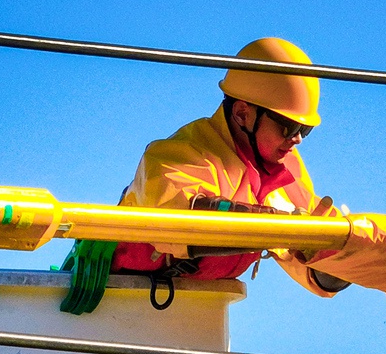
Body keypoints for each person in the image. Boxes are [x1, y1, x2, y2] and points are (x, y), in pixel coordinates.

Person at [111, 37, 349, 295]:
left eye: (306, 129)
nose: (297, 139)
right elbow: (182, 225)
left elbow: (316, 273)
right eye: (288, 126)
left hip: (195, 305)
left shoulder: (285, 169)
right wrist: (285, 227)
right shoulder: (176, 156)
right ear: (242, 114)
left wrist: (339, 256)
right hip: (110, 293)